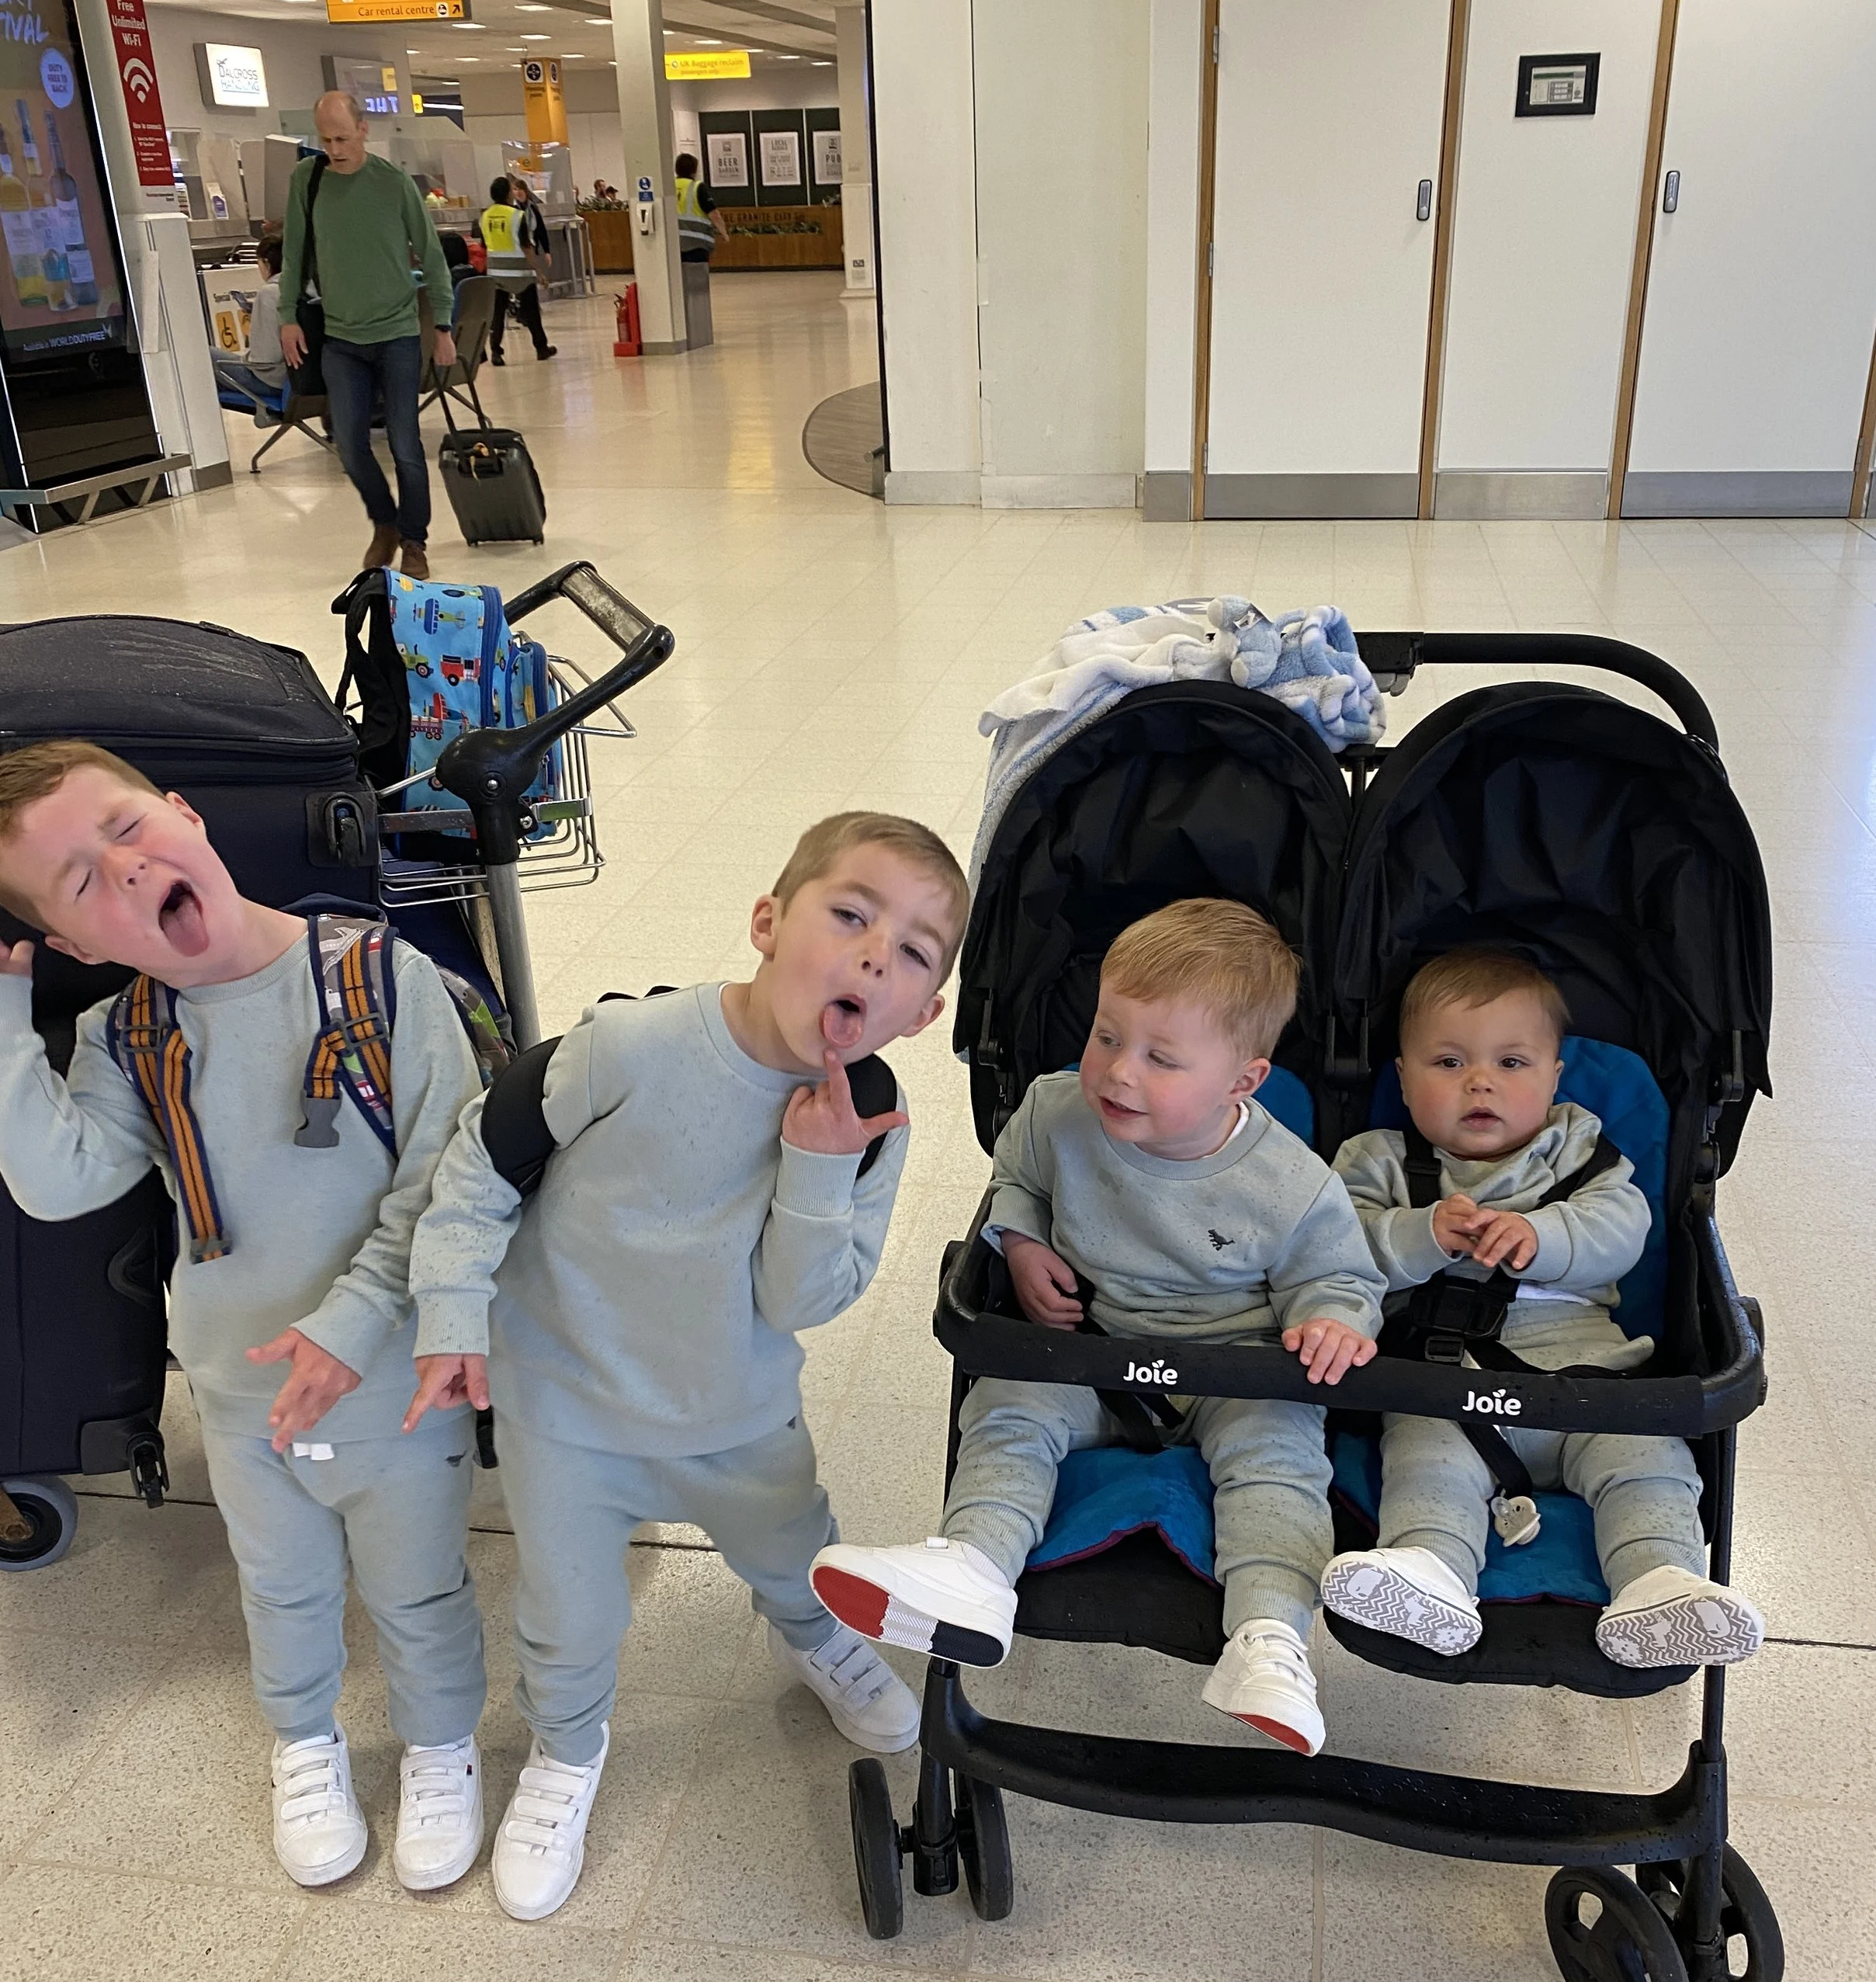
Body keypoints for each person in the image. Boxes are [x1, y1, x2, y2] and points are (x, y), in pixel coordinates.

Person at [405, 812, 972, 1920]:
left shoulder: (873, 1121)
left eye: (912, 952)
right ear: (767, 923)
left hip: (734, 1409)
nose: (873, 957)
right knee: (569, 1613)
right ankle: (566, 1749)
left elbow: (801, 1301)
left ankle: (812, 1639)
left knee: (793, 1547)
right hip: (566, 1404)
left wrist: (818, 1166)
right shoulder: (630, 1047)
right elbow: (483, 1162)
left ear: (923, 1011)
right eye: (849, 915)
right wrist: (452, 1308)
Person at [0, 742, 488, 1890]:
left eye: (127, 828)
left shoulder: (383, 979)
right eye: (80, 882)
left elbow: (449, 1182)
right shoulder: (127, 1036)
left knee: (419, 1583)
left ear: (185, 815)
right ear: (75, 946)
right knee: (279, 1585)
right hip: (240, 1389)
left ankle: (440, 1746)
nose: (125, 869)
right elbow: (57, 1180)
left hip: (396, 1379)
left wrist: (351, 1325)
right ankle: (305, 1740)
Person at [810, 900, 1385, 1755]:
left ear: (1242, 1081)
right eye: (1107, 1036)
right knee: (1010, 1403)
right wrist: (1022, 1240)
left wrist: (1333, 1319)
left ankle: (1268, 1638)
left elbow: (1339, 1275)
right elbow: (1016, 1179)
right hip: (1091, 1348)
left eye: (1160, 1058)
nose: (1118, 1072)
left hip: (1232, 1370)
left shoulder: (1290, 1184)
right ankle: (975, 1567)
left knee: (1281, 1460)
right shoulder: (1054, 1112)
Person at [1321, 946, 1765, 1669]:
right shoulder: (1376, 1160)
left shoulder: (1577, 1150)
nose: (1479, 1081)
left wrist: (1544, 1235)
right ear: (1401, 1078)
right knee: (1427, 1466)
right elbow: (1334, 1250)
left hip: (1587, 1375)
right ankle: (1429, 1572)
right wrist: (1419, 1234)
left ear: (1555, 1076)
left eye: (1511, 1062)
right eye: (1448, 1062)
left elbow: (1624, 1228)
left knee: (1648, 1461)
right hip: (1445, 1386)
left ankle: (1659, 1581)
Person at [279, 92, 455, 581]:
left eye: (342, 138)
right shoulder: (307, 180)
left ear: (363, 130)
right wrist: (288, 315)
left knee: (405, 444)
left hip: (397, 333)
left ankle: (414, 540)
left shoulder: (393, 184)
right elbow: (294, 253)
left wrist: (442, 324)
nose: (334, 150)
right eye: (326, 140)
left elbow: (432, 255)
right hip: (341, 338)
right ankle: (385, 522)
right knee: (351, 445)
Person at [477, 177, 556, 366]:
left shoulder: (485, 216)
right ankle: (541, 348)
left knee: (497, 313)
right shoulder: (517, 216)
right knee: (532, 311)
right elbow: (526, 246)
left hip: (496, 272)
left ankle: (496, 351)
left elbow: (484, 244)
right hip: (520, 272)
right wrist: (538, 271)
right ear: (508, 194)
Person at [210, 231, 287, 408]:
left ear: (266, 262)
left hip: (271, 381)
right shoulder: (303, 288)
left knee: (203, 353)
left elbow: (266, 358)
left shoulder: (268, 294)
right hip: (296, 381)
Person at [673, 151, 723, 262]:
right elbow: (714, 214)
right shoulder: (697, 187)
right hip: (697, 245)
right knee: (697, 273)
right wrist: (724, 233)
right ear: (694, 171)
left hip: (674, 244)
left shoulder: (670, 186)